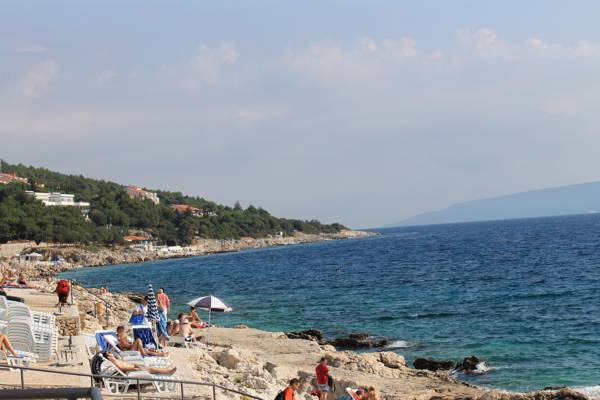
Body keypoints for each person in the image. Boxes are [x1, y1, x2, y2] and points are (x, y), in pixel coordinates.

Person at [103, 351, 176, 375]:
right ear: (108, 357)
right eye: (109, 353)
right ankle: (167, 371)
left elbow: (124, 364)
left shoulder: (115, 360)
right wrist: (135, 368)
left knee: (151, 368)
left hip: (134, 367)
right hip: (133, 370)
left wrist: (134, 365)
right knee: (151, 369)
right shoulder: (114, 362)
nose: (111, 353)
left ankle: (166, 369)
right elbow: (123, 368)